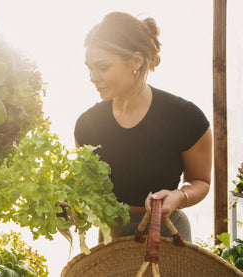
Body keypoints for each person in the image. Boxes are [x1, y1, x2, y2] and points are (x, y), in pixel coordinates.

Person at [74, 11, 212, 242]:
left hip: (166, 233)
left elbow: (200, 181)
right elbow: (85, 187)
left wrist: (179, 196)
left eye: (103, 67)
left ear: (136, 61)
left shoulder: (186, 117)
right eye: (90, 68)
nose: (93, 77)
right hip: (111, 237)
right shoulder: (87, 125)